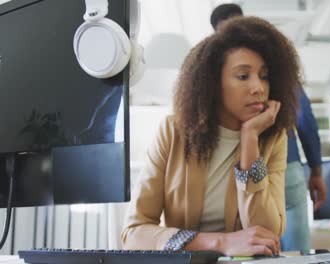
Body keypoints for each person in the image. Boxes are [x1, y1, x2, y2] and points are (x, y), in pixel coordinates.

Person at [121, 16, 301, 257]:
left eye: (264, 76)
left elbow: (266, 235)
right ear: (213, 83)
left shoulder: (271, 138)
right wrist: (220, 243)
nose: (258, 87)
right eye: (243, 76)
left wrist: (250, 140)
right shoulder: (173, 132)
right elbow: (134, 233)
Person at [210, 3, 327, 252]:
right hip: (287, 165)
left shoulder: (216, 74)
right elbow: (304, 117)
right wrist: (316, 170)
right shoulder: (272, 63)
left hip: (238, 169)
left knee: (252, 249)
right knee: (297, 252)